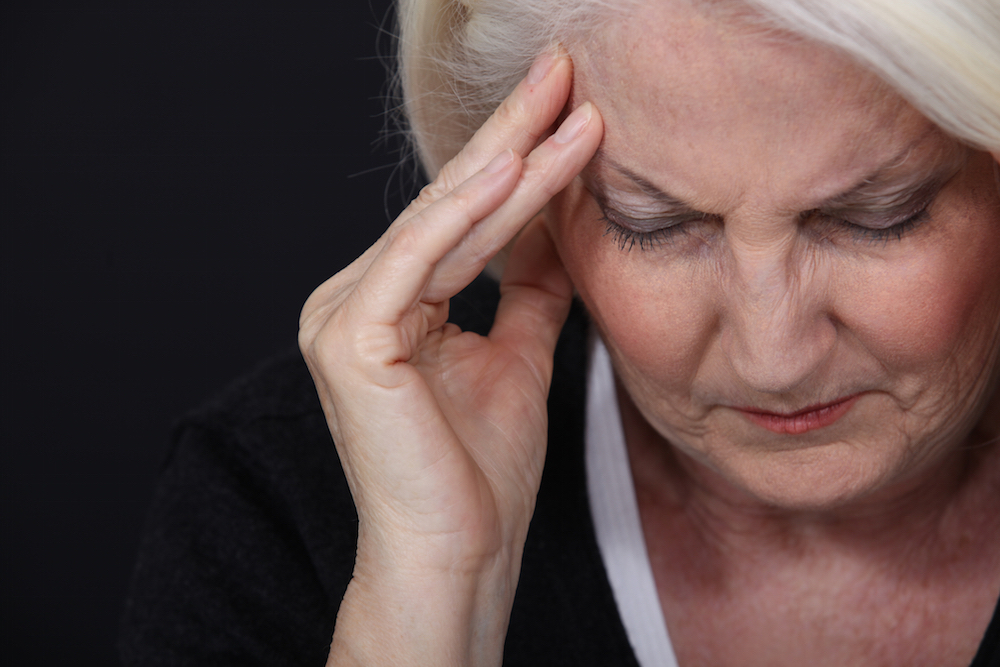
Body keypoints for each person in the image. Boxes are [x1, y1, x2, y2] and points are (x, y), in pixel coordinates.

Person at [121, 0, 1000, 664]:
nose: (773, 357)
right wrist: (437, 600)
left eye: (880, 216)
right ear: (533, 195)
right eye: (654, 223)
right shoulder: (281, 507)